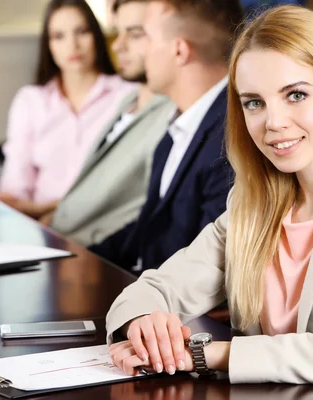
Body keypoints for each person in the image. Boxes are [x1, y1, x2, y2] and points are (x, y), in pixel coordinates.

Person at [106, 5, 313, 399]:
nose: (273, 122)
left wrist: (210, 354)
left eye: (295, 95)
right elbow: (156, 288)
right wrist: (145, 323)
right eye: (254, 103)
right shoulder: (252, 205)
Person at [89, 0, 242, 273]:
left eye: (145, 36)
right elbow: (147, 231)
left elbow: (206, 265)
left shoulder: (232, 137)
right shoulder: (175, 132)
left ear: (179, 50)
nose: (141, 51)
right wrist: (82, 262)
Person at [49, 0, 175, 246]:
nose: (117, 45)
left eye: (136, 34)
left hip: (92, 252)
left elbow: (138, 210)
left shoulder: (172, 113)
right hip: (60, 236)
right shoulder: (128, 101)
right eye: (118, 32)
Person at [0, 0, 136, 219]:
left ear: (96, 36)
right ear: (48, 45)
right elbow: (13, 192)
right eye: (59, 36)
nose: (72, 45)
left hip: (103, 224)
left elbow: (126, 188)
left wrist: (49, 208)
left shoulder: (129, 96)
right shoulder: (30, 101)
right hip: (39, 225)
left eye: (81, 32)